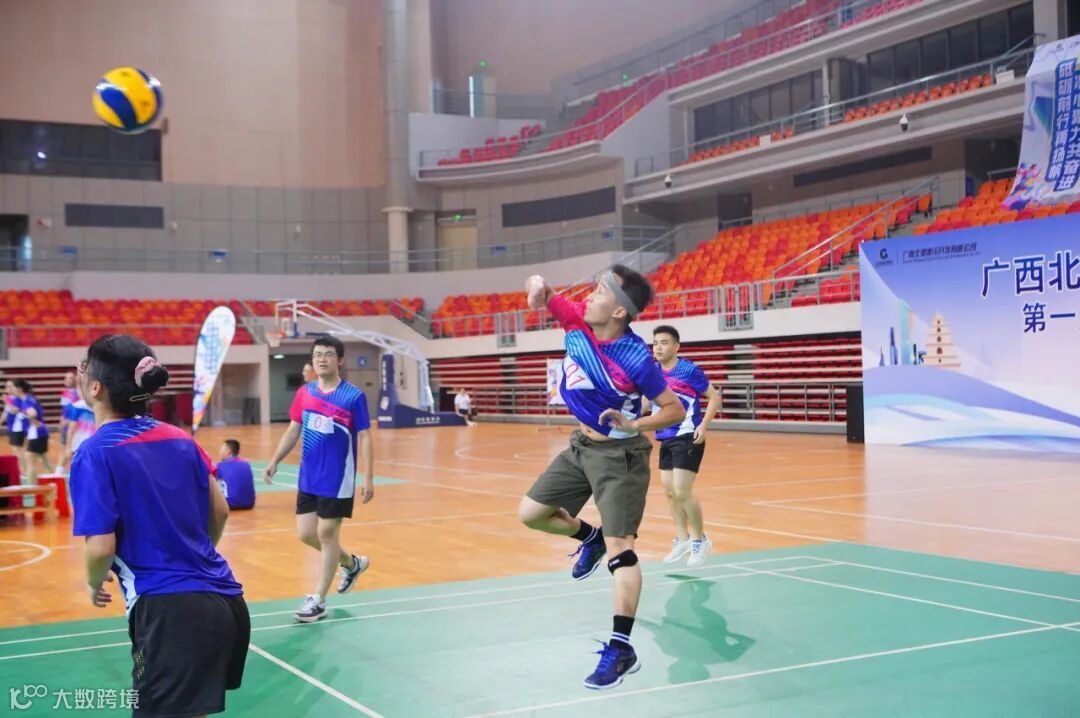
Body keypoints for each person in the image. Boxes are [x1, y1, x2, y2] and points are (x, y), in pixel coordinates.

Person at [518, 264, 684, 690]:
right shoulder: (578, 319)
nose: (589, 296)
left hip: (619, 455)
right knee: (531, 513)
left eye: (600, 291)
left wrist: (636, 424)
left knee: (621, 550)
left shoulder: (636, 359)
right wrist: (535, 287)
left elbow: (674, 409)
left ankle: (621, 648)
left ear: (619, 311)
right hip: (581, 446)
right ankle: (588, 538)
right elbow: (544, 289)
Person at [69, 335, 248, 718]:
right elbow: (220, 511)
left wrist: (93, 582)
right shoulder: (181, 438)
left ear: (95, 388)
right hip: (227, 602)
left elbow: (100, 548)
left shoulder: (94, 453)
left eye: (84, 368)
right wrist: (192, 553)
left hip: (169, 612)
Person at [264, 336, 375, 623]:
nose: (321, 359)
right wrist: (275, 460)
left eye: (327, 354)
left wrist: (369, 478)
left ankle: (318, 600)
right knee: (306, 533)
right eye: (317, 355)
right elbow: (293, 429)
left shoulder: (352, 396)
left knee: (327, 534)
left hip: (338, 477)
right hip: (309, 476)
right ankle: (351, 563)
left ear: (340, 360)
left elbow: (365, 436)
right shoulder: (305, 392)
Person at [651, 325, 722, 568]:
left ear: (676, 346)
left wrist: (704, 424)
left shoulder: (689, 370)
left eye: (664, 342)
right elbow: (646, 402)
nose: (658, 347)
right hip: (665, 436)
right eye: (655, 343)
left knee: (682, 491)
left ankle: (700, 540)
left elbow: (714, 397)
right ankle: (682, 539)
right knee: (670, 492)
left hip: (688, 435)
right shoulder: (652, 372)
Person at [15, 380, 52, 480]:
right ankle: (58, 480)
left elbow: (32, 413)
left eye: (13, 387)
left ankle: (31, 487)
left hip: (37, 433)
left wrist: (33, 421)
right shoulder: (27, 399)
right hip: (37, 433)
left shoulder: (27, 400)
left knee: (29, 458)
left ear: (19, 389)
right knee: (44, 460)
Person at [215, 439, 256, 510]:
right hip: (249, 504)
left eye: (222, 449)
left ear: (228, 451)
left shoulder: (220, 466)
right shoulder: (246, 464)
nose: (220, 452)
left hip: (230, 504)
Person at [2, 379, 27, 477]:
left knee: (18, 449)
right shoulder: (9, 399)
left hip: (19, 427)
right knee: (15, 449)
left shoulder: (17, 398)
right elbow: (6, 412)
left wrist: (6, 401)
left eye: (10, 386)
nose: (8, 388)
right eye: (6, 386)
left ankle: (23, 471)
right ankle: (20, 470)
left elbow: (15, 410)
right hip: (12, 427)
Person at [56, 372, 80, 474]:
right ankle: (58, 473)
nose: (67, 380)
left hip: (76, 425)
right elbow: (64, 410)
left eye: (70, 378)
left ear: (75, 379)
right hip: (66, 425)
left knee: (72, 451)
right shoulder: (65, 393)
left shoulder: (79, 392)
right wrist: (61, 421)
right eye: (66, 378)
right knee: (64, 449)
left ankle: (61, 472)